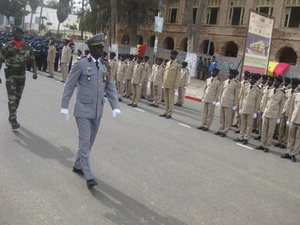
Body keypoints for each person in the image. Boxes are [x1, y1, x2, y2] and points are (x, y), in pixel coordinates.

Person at [60, 33, 121, 188]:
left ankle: (78, 165)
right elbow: (69, 85)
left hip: (97, 111)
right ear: (92, 48)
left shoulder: (105, 65)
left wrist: (115, 107)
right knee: (85, 141)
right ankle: (89, 175)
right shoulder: (80, 64)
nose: (102, 50)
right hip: (82, 110)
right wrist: (64, 106)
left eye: (103, 47)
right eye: (100, 47)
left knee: (89, 142)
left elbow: (111, 88)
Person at [0, 27, 38, 129]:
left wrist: (35, 72)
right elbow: (0, 60)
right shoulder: (7, 47)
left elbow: (32, 59)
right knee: (12, 96)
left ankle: (12, 112)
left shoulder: (27, 47)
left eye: (21, 33)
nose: (19, 35)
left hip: (22, 75)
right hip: (11, 75)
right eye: (17, 33)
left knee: (18, 97)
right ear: (13, 34)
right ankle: (13, 117)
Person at [256, 76, 285, 153]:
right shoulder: (269, 91)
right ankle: (262, 144)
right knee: (264, 130)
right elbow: (265, 102)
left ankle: (267, 146)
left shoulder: (282, 93)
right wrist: (262, 111)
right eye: (274, 81)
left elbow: (281, 106)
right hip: (266, 112)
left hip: (274, 114)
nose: (275, 83)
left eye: (277, 82)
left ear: (280, 84)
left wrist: (279, 117)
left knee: (270, 131)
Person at [233, 73, 262, 145]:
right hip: (244, 107)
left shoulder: (258, 89)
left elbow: (258, 101)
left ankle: (246, 138)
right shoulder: (245, 86)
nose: (251, 80)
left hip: (251, 109)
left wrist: (255, 112)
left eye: (252, 79)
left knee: (249, 125)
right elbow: (241, 97)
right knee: (242, 123)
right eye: (250, 78)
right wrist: (240, 107)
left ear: (255, 80)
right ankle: (241, 136)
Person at [214, 69, 240, 137]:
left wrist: (235, 104)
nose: (229, 75)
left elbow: (237, 94)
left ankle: (225, 131)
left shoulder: (236, 83)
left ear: (234, 75)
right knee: (221, 117)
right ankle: (220, 129)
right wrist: (220, 100)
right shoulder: (225, 82)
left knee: (227, 118)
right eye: (228, 74)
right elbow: (221, 91)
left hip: (229, 102)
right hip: (223, 101)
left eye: (230, 74)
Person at [275, 78, 299, 149]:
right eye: (292, 84)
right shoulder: (286, 91)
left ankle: (284, 142)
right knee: (281, 127)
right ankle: (279, 141)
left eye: (294, 84)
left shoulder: (297, 93)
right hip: (284, 111)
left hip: (290, 113)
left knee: (287, 129)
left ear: (297, 85)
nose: (292, 85)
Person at [159, 50, 182, 119]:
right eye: (171, 54)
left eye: (173, 55)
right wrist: (163, 83)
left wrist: (176, 86)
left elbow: (178, 76)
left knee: (171, 100)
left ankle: (170, 113)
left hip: (172, 85)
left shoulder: (178, 65)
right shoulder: (168, 63)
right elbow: (165, 74)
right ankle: (165, 111)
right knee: (166, 99)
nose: (171, 56)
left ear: (175, 55)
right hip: (166, 83)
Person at [280, 88, 300, 162]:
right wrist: (289, 119)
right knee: (291, 137)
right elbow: (291, 108)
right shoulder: (295, 95)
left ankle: (293, 154)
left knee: (298, 139)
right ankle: (288, 152)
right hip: (293, 119)